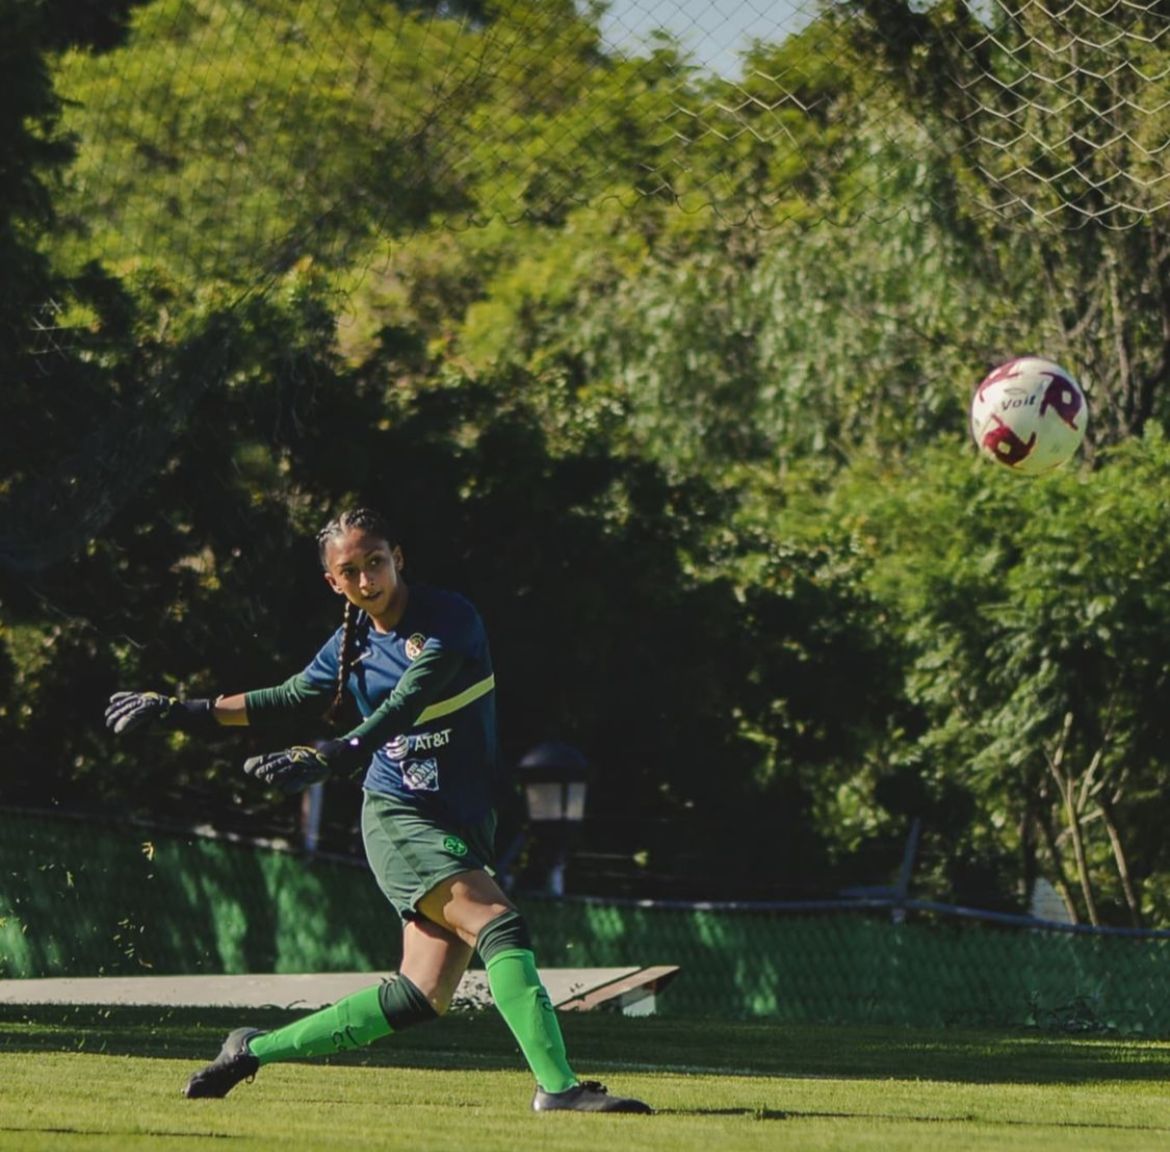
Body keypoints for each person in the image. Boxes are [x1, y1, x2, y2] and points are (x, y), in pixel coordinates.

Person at [105, 507, 651, 1114]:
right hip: (399, 816)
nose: (368, 580)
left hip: (463, 821)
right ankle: (559, 1088)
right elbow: (285, 696)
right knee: (500, 924)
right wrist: (181, 709)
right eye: (351, 571)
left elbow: (411, 695)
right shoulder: (349, 647)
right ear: (333, 583)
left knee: (420, 996)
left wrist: (338, 751)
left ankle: (251, 1050)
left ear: (399, 558)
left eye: (376, 563)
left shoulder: (451, 618)